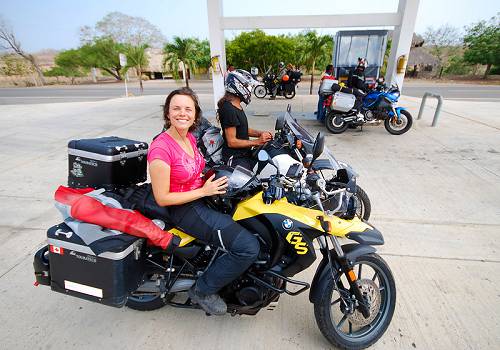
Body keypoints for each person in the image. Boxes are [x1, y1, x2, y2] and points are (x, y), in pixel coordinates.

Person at [147, 87, 260, 316]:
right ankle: (203, 290)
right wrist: (203, 191)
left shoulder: (188, 137)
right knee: (248, 247)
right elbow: (162, 197)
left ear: (195, 114)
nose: (182, 113)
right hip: (185, 209)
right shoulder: (161, 147)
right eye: (176, 108)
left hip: (202, 197)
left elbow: (198, 169)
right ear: (167, 113)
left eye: (188, 109)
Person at [218, 70, 273, 171]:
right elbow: (232, 141)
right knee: (251, 183)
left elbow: (242, 129)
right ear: (238, 86)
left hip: (244, 153)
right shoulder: (228, 109)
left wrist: (261, 134)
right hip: (235, 158)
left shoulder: (236, 105)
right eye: (248, 86)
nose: (250, 90)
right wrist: (257, 142)